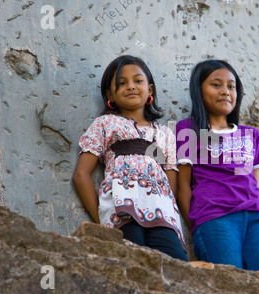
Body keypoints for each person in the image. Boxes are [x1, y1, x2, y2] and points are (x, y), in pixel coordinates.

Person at [72, 55, 187, 261]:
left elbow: (171, 184)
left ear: (150, 90)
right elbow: (81, 175)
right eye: (121, 83)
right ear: (110, 95)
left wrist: (168, 209)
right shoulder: (105, 124)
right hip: (121, 209)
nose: (131, 87)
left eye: (138, 81)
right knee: (131, 263)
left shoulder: (164, 134)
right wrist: (101, 222)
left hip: (162, 213)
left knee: (175, 263)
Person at [176, 59, 259, 273]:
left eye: (231, 86)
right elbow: (183, 188)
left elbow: (253, 184)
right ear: (198, 90)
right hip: (214, 218)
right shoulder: (187, 130)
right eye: (216, 85)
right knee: (228, 284)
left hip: (258, 219)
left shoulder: (251, 135)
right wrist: (198, 224)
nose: (225, 91)